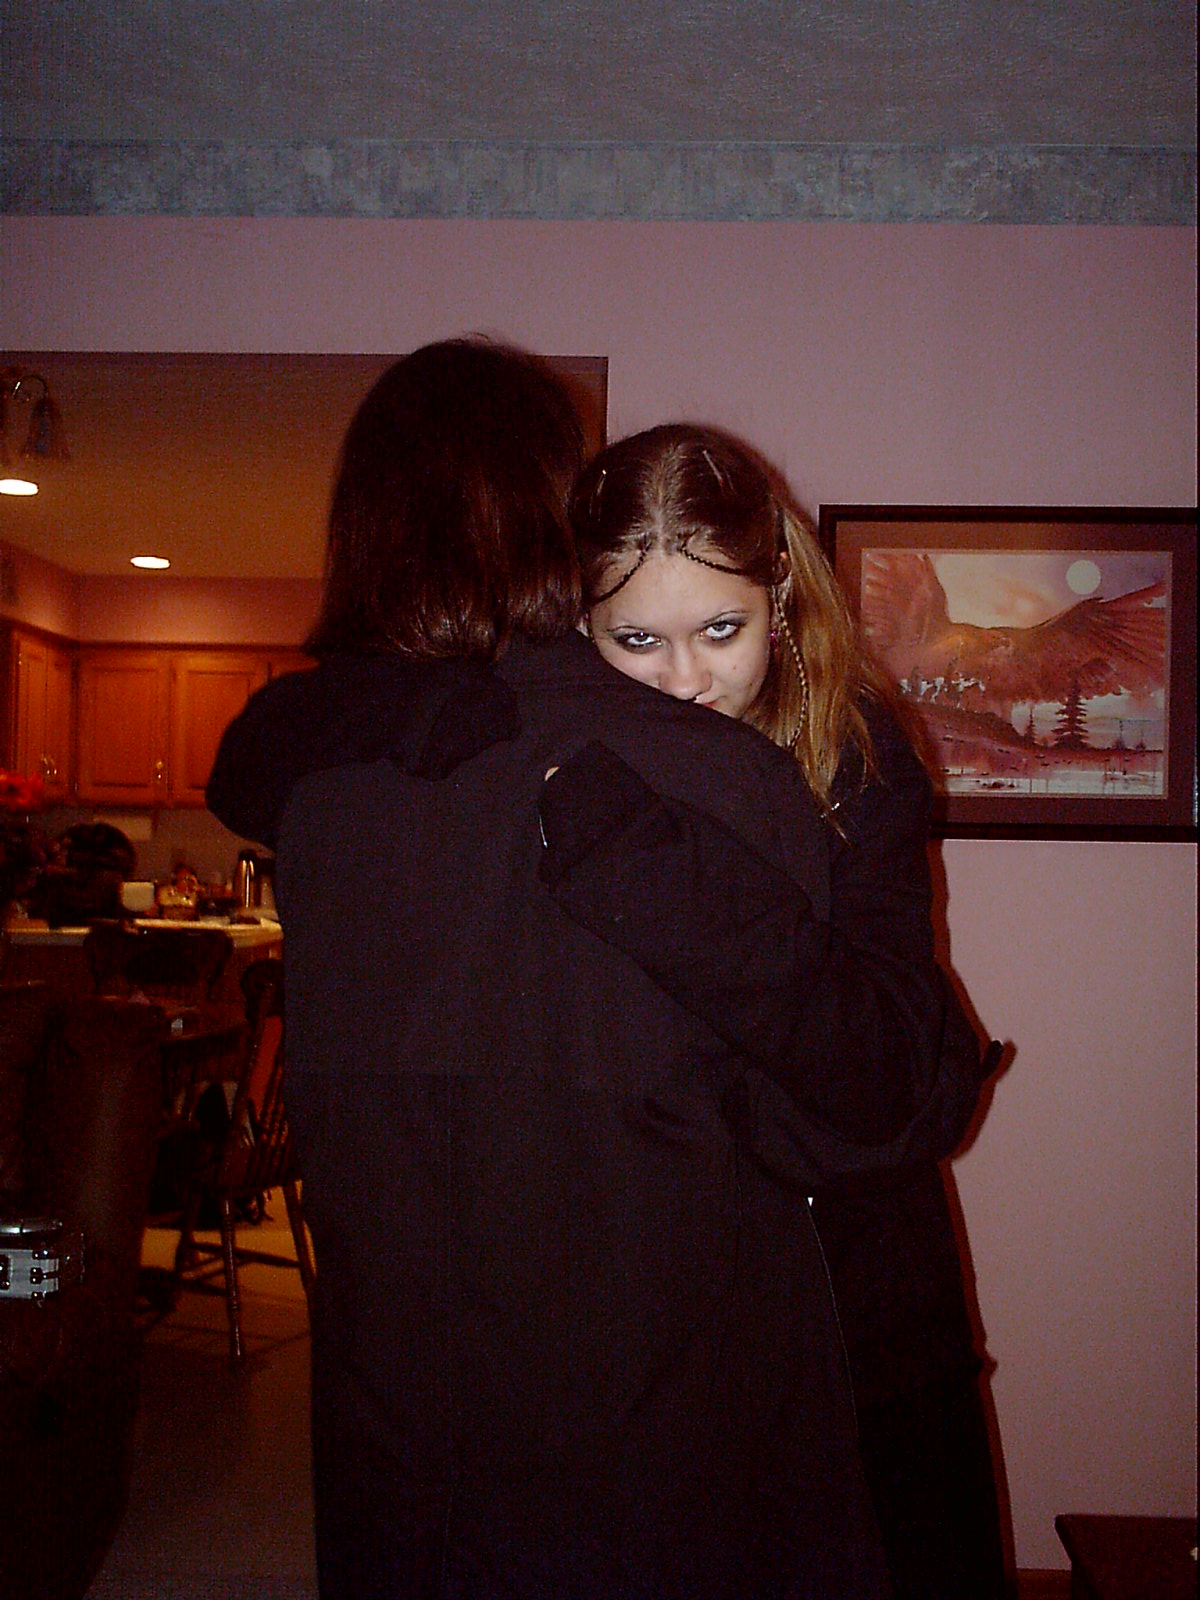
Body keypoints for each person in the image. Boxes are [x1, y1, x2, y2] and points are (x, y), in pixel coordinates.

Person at [207, 338, 923, 1599]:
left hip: (408, 1429)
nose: (690, 671)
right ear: (565, 520)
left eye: (722, 628)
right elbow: (837, 1124)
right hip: (676, 1433)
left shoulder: (317, 796)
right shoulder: (718, 773)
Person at [550, 421, 1008, 1600]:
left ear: (779, 599)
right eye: (636, 639)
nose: (686, 679)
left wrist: (661, 885)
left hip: (861, 1290)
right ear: (578, 627)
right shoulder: (563, 757)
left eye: (721, 629)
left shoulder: (853, 752)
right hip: (661, 1301)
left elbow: (890, 1075)